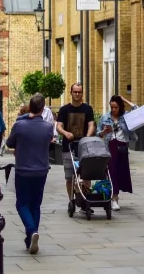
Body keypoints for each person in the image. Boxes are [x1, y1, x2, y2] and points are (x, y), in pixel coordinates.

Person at [5, 93, 54, 254]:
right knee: (35, 205)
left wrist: (22, 119)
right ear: (42, 109)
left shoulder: (20, 125)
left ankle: (32, 231)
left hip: (23, 170)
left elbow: (9, 142)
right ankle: (30, 239)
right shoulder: (48, 128)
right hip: (41, 171)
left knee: (22, 204)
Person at [56, 82, 95, 213]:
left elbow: (91, 125)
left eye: (79, 92)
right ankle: (71, 199)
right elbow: (59, 126)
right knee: (69, 176)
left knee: (86, 174)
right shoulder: (64, 110)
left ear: (82, 93)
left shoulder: (87, 109)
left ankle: (85, 200)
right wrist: (66, 133)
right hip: (69, 147)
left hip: (84, 147)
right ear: (71, 93)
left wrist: (87, 136)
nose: (77, 94)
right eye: (75, 92)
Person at [98, 95, 138, 211]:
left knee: (121, 172)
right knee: (112, 171)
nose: (114, 110)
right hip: (110, 146)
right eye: (112, 107)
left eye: (116, 107)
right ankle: (114, 198)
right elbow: (98, 133)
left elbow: (137, 109)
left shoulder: (125, 116)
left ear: (120, 107)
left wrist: (125, 99)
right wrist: (104, 132)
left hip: (122, 146)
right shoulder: (105, 117)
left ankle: (115, 197)